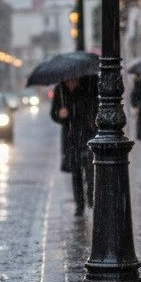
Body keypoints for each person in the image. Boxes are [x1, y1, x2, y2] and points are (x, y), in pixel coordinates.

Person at [50, 75, 98, 216]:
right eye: (67, 80)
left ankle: (91, 197)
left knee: (90, 169)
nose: (70, 83)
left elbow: (95, 106)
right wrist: (60, 114)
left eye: (72, 80)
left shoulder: (89, 86)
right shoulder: (60, 90)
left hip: (88, 134)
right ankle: (79, 204)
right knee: (75, 172)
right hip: (70, 137)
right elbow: (53, 113)